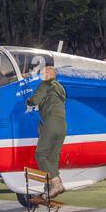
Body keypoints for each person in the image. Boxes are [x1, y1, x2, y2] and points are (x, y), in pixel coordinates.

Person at [27, 64, 68, 198]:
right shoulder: (60, 88)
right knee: (52, 158)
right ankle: (48, 189)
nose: (41, 76)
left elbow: (35, 100)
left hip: (51, 122)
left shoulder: (46, 84)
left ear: (49, 75)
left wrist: (28, 100)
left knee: (40, 154)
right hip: (62, 125)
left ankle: (56, 183)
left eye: (43, 74)